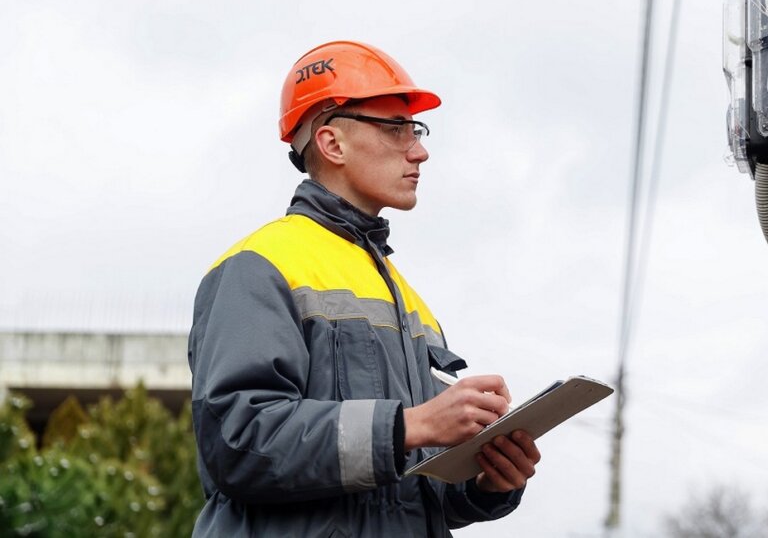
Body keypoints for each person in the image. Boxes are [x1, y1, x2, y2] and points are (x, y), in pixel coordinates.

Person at [187, 40, 540, 536]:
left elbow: (412, 485)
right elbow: (239, 443)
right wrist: (410, 425)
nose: (419, 149)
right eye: (397, 128)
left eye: (416, 130)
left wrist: (485, 481)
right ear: (333, 144)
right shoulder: (259, 265)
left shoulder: (408, 299)